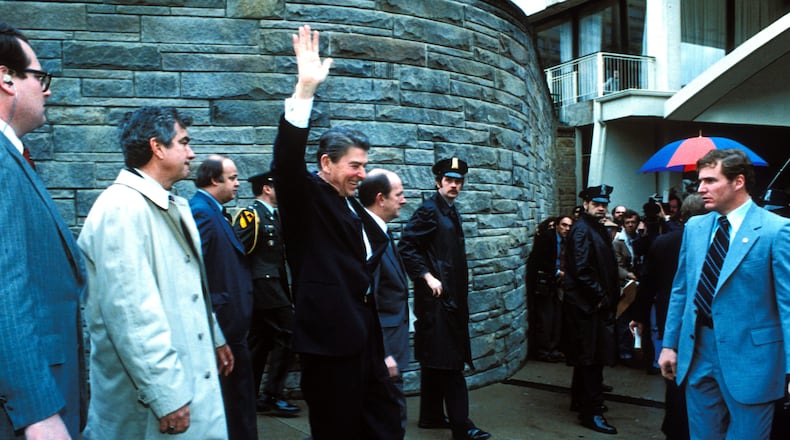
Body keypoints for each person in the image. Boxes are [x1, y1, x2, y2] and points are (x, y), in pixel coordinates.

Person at [270, 25, 402, 439]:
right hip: (328, 346)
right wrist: (304, 89)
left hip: (363, 340)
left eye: (365, 166)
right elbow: (286, 162)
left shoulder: (352, 205)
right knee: (337, 430)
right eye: (354, 166)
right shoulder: (306, 196)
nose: (362, 174)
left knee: (381, 424)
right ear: (326, 163)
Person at [78, 106, 232, 439]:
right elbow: (132, 315)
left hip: (185, 380)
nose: (192, 153)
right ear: (157, 147)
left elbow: (188, 286)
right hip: (150, 407)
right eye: (184, 142)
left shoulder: (165, 202)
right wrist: (167, 395)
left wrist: (214, 336)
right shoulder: (121, 209)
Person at [659, 149, 790, 439]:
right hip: (698, 354)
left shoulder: (775, 231)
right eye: (699, 181)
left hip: (753, 362)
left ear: (738, 181)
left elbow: (788, 305)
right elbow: (682, 291)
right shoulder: (695, 227)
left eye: (709, 181)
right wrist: (669, 345)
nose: (700, 189)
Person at [0, 22, 87, 439]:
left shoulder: (13, 157)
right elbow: (4, 286)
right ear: (6, 79)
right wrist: (38, 411)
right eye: (40, 77)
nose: (46, 89)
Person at [399, 157, 491, 440]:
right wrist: (427, 277)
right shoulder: (430, 211)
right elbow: (406, 247)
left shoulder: (449, 210)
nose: (454, 185)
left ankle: (431, 415)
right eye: (449, 180)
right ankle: (462, 426)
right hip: (438, 300)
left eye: (458, 181)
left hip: (448, 298)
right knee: (450, 362)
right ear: (438, 182)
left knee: (435, 359)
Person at [190, 155, 256, 440]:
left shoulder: (214, 210)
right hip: (222, 326)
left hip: (231, 325)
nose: (238, 184)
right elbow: (195, 268)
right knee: (234, 403)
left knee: (239, 400)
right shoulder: (201, 212)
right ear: (214, 179)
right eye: (232, 178)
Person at [630, 193, 706, 439]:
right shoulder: (715, 241)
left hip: (670, 320)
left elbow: (647, 285)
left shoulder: (663, 242)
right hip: (701, 322)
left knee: (673, 376)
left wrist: (639, 316)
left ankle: (675, 427)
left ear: (682, 215)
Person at [232, 170, 301, 417]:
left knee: (259, 342)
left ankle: (247, 396)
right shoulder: (251, 215)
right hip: (263, 286)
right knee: (289, 333)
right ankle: (271, 395)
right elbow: (237, 251)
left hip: (274, 286)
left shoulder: (275, 216)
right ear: (267, 189)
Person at [562, 184, 619, 435]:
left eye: (604, 204)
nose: (602, 208)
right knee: (591, 359)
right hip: (588, 306)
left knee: (587, 358)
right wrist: (602, 297)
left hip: (590, 304)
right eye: (597, 204)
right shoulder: (583, 230)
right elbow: (582, 270)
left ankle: (581, 401)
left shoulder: (592, 228)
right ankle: (591, 411)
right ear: (585, 204)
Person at [358, 168, 411, 432]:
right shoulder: (367, 237)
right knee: (388, 411)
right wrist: (383, 353)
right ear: (381, 198)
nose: (404, 200)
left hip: (390, 338)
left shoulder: (381, 231)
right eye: (399, 194)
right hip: (383, 344)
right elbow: (366, 302)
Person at [526, 215, 572, 362]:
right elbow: (539, 260)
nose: (567, 229)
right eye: (564, 225)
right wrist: (557, 272)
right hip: (545, 283)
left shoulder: (568, 241)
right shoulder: (547, 238)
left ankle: (554, 348)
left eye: (569, 226)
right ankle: (544, 351)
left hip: (559, 283)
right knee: (546, 318)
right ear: (557, 225)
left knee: (557, 317)